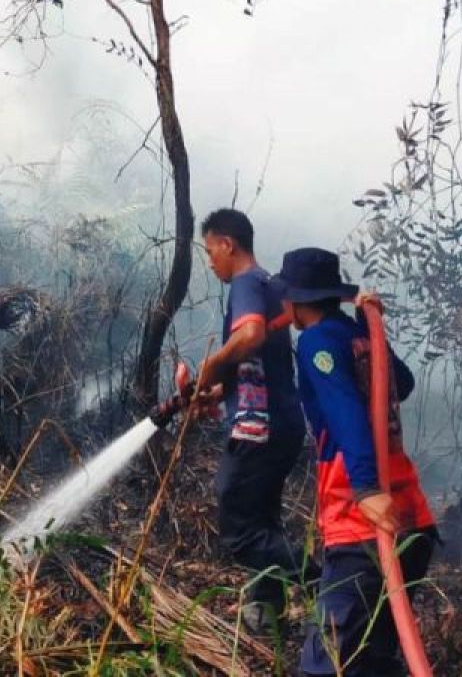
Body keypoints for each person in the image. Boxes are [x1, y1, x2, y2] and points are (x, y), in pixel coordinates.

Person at [272, 246, 438, 677]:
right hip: (411, 517)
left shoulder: (316, 341)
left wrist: (365, 488)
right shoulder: (355, 335)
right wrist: (371, 325)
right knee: (372, 659)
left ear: (297, 300)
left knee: (324, 664)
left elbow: (344, 409)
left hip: (363, 522)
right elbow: (402, 383)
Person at [194, 208, 309, 635]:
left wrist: (212, 364)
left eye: (210, 251)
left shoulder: (245, 282)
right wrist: (218, 388)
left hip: (256, 428)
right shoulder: (272, 286)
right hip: (284, 423)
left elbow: (251, 336)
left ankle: (333, 582)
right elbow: (264, 361)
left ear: (228, 244)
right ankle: (268, 611)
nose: (210, 262)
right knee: (263, 520)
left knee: (239, 529)